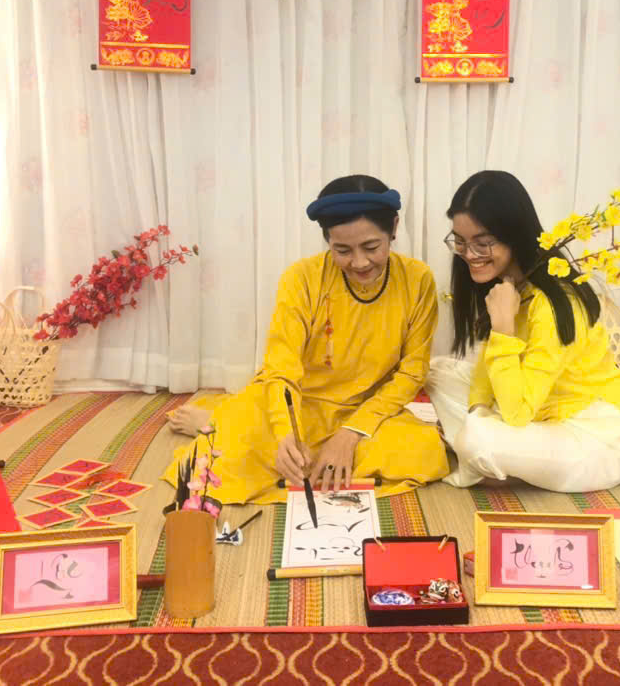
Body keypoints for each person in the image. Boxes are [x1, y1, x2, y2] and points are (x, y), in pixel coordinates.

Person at [163, 175, 449, 503]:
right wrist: (286, 433)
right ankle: (221, 421)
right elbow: (281, 367)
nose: (359, 262)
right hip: (298, 405)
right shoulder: (301, 278)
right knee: (226, 456)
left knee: (425, 451)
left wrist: (351, 433)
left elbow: (412, 372)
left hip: (365, 410)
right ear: (327, 240)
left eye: (371, 247)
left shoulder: (417, 279)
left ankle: (226, 421)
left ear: (394, 228)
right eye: (342, 250)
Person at [426, 170, 620, 492]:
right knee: (437, 372)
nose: (469, 255)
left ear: (514, 236)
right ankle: (490, 453)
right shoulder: (508, 285)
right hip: (535, 412)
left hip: (592, 435)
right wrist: (478, 411)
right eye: (460, 242)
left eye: (483, 243)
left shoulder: (555, 304)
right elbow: (488, 371)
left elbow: (516, 413)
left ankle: (483, 452)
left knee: (479, 439)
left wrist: (503, 329)